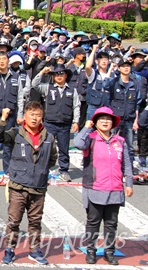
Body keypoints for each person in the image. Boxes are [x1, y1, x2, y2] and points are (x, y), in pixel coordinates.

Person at [0, 102, 57, 265]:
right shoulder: (16, 133)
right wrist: (3, 119)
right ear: (25, 116)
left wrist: (41, 170)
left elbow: (52, 158)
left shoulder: (48, 137)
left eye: (38, 115)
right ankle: (9, 249)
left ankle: (35, 250)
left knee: (35, 221)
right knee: (14, 220)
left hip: (38, 186)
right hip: (18, 185)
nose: (35, 118)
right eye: (31, 114)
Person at [74, 107, 134, 266]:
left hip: (115, 189)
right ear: (95, 122)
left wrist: (128, 183)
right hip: (95, 188)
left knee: (111, 223)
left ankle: (109, 252)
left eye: (108, 119)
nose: (105, 121)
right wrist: (86, 127)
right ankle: (91, 251)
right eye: (102, 119)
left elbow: (127, 164)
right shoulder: (90, 138)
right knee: (93, 221)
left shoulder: (120, 141)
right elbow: (78, 143)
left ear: (113, 122)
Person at [31, 64, 80, 182]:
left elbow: (76, 106)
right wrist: (42, 72)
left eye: (61, 74)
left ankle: (64, 170)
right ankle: (42, 169)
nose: (59, 76)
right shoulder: (48, 87)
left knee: (64, 148)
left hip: (65, 124)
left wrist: (76, 121)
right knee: (46, 147)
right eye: (56, 74)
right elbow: (34, 84)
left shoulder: (72, 90)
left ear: (66, 75)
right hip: (49, 122)